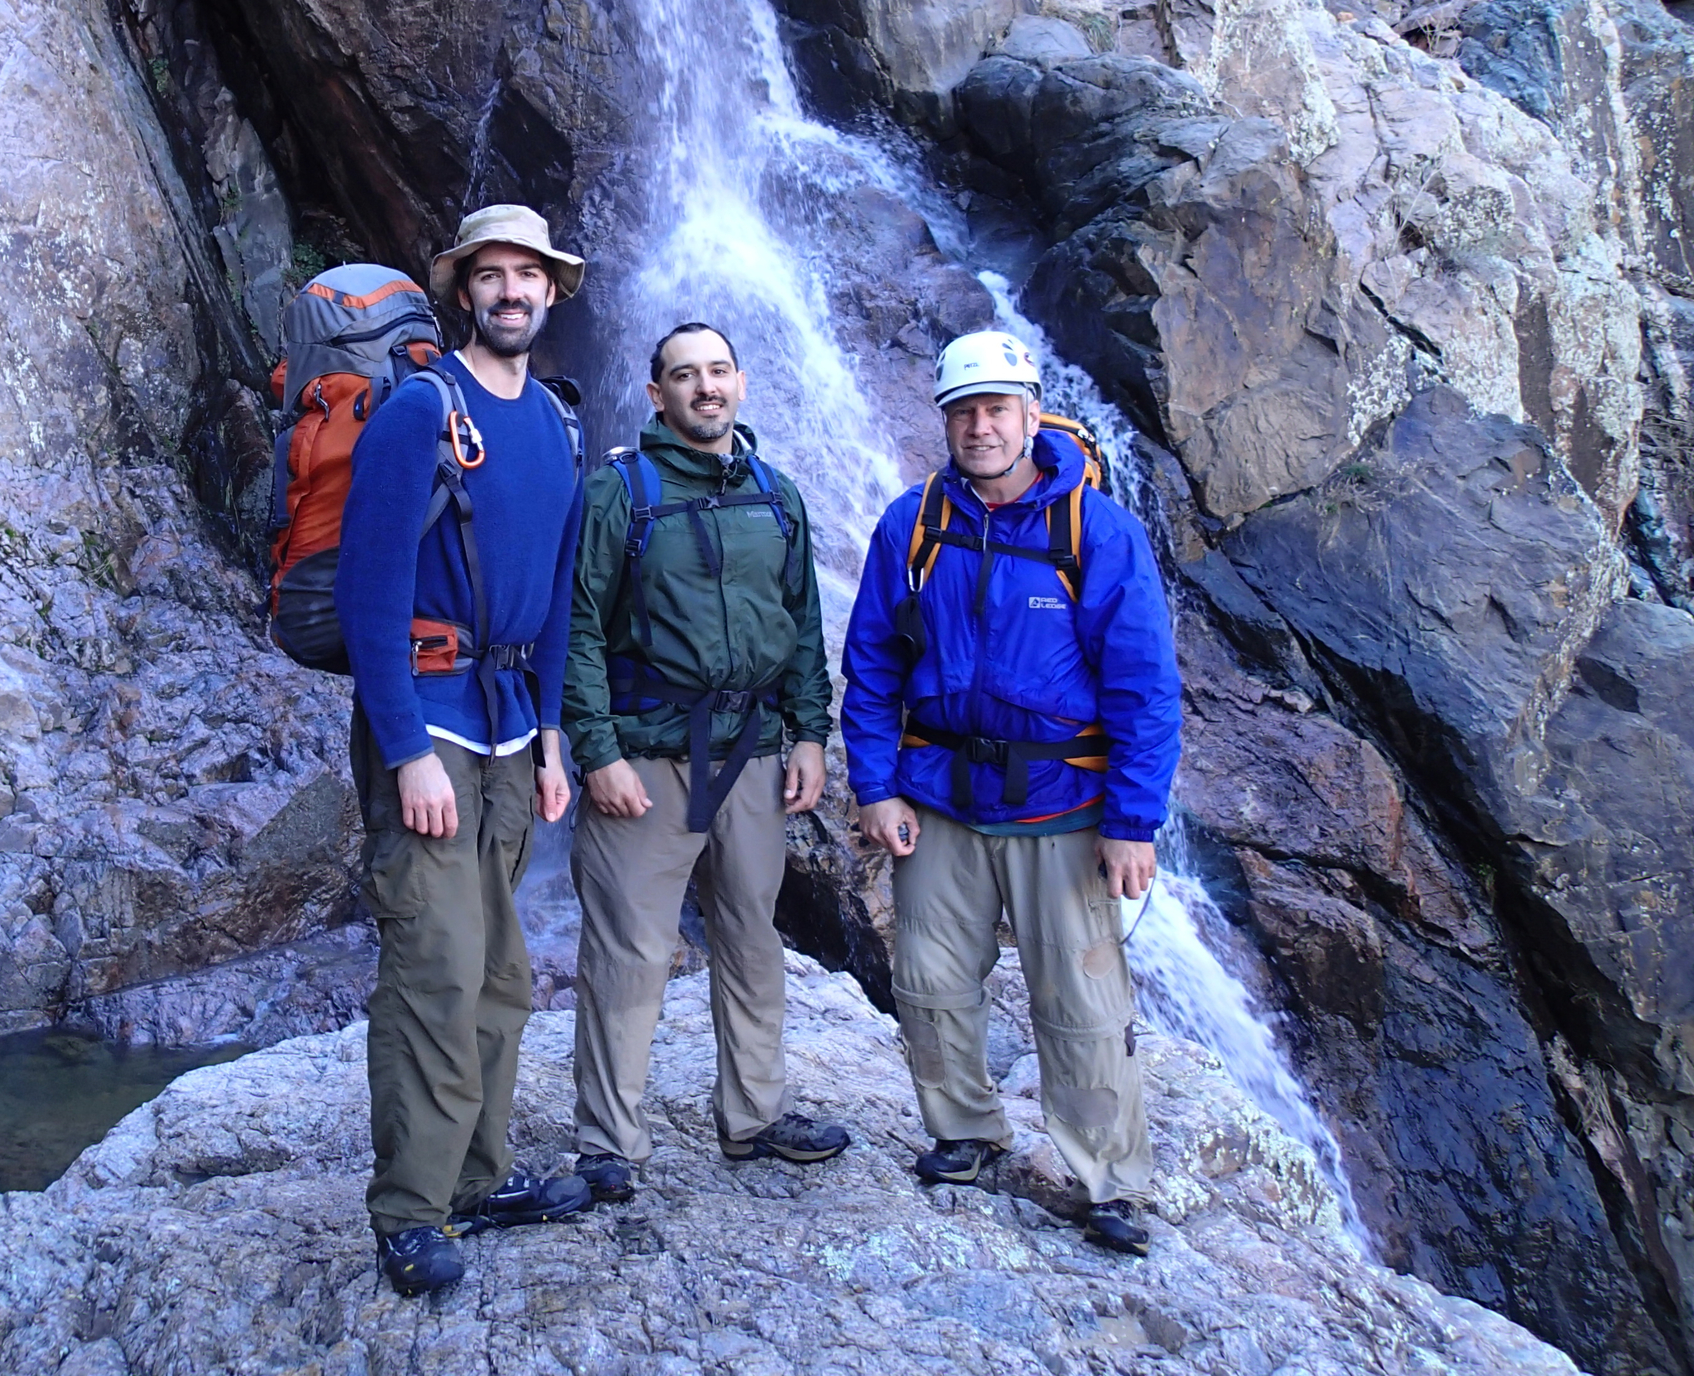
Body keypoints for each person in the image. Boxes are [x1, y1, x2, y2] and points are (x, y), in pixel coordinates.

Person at [839, 330, 1181, 1258]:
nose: (980, 427)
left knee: (1082, 1000)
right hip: (939, 797)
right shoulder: (911, 525)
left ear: (1032, 414)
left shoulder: (1095, 529)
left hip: (1062, 804)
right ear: (946, 421)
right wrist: (875, 784)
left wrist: (1132, 821)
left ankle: (1108, 1177)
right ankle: (965, 1132)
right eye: (964, 411)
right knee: (932, 982)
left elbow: (1146, 685)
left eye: (997, 409)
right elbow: (870, 662)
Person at [333, 204, 591, 1297]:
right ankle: (409, 1212)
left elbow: (563, 605)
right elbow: (366, 593)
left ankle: (477, 1180)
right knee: (432, 966)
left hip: (509, 734)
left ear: (550, 294)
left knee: (497, 971)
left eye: (527, 275)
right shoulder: (417, 415)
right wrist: (404, 752)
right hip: (430, 728)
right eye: (490, 275)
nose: (510, 292)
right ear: (461, 293)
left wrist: (552, 742)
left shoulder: (559, 426)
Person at [559, 322, 848, 1207]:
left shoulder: (777, 493)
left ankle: (755, 1116)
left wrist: (809, 731)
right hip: (648, 757)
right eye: (685, 375)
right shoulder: (618, 492)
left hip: (756, 754)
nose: (705, 387)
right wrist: (597, 749)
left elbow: (801, 624)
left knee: (753, 938)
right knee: (630, 949)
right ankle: (610, 1140)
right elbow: (574, 628)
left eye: (718, 370)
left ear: (743, 382)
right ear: (656, 395)